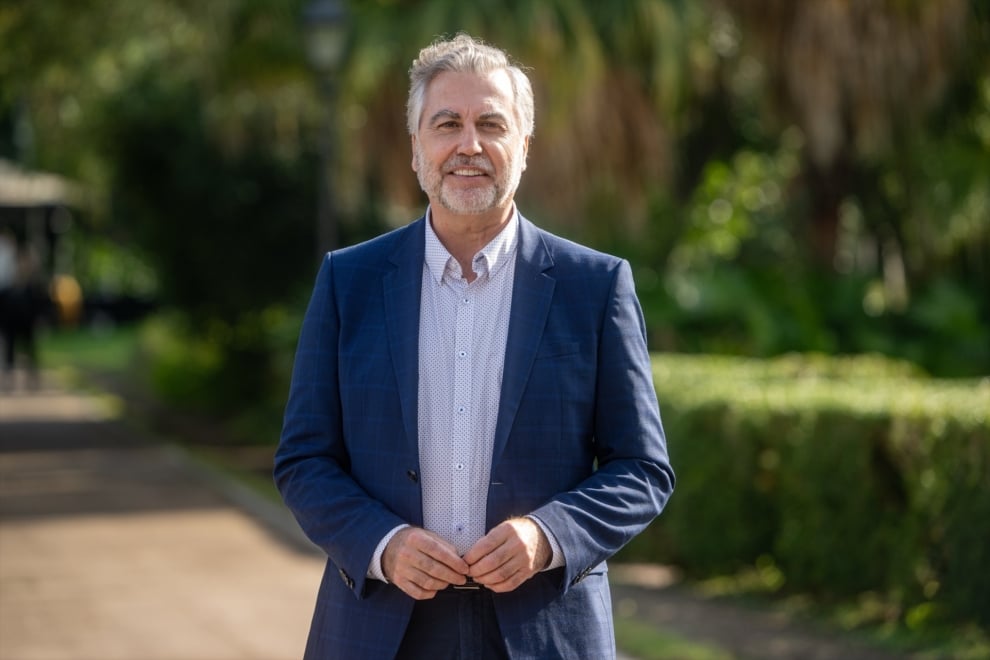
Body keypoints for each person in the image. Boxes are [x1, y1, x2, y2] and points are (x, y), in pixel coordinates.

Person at [274, 33, 674, 659]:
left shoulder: (594, 287)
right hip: (379, 630)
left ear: (524, 147)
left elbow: (643, 469)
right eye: (447, 124)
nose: (470, 144)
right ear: (415, 149)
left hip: (544, 631)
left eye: (492, 123)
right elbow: (304, 460)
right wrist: (381, 542)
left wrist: (547, 535)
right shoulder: (347, 283)